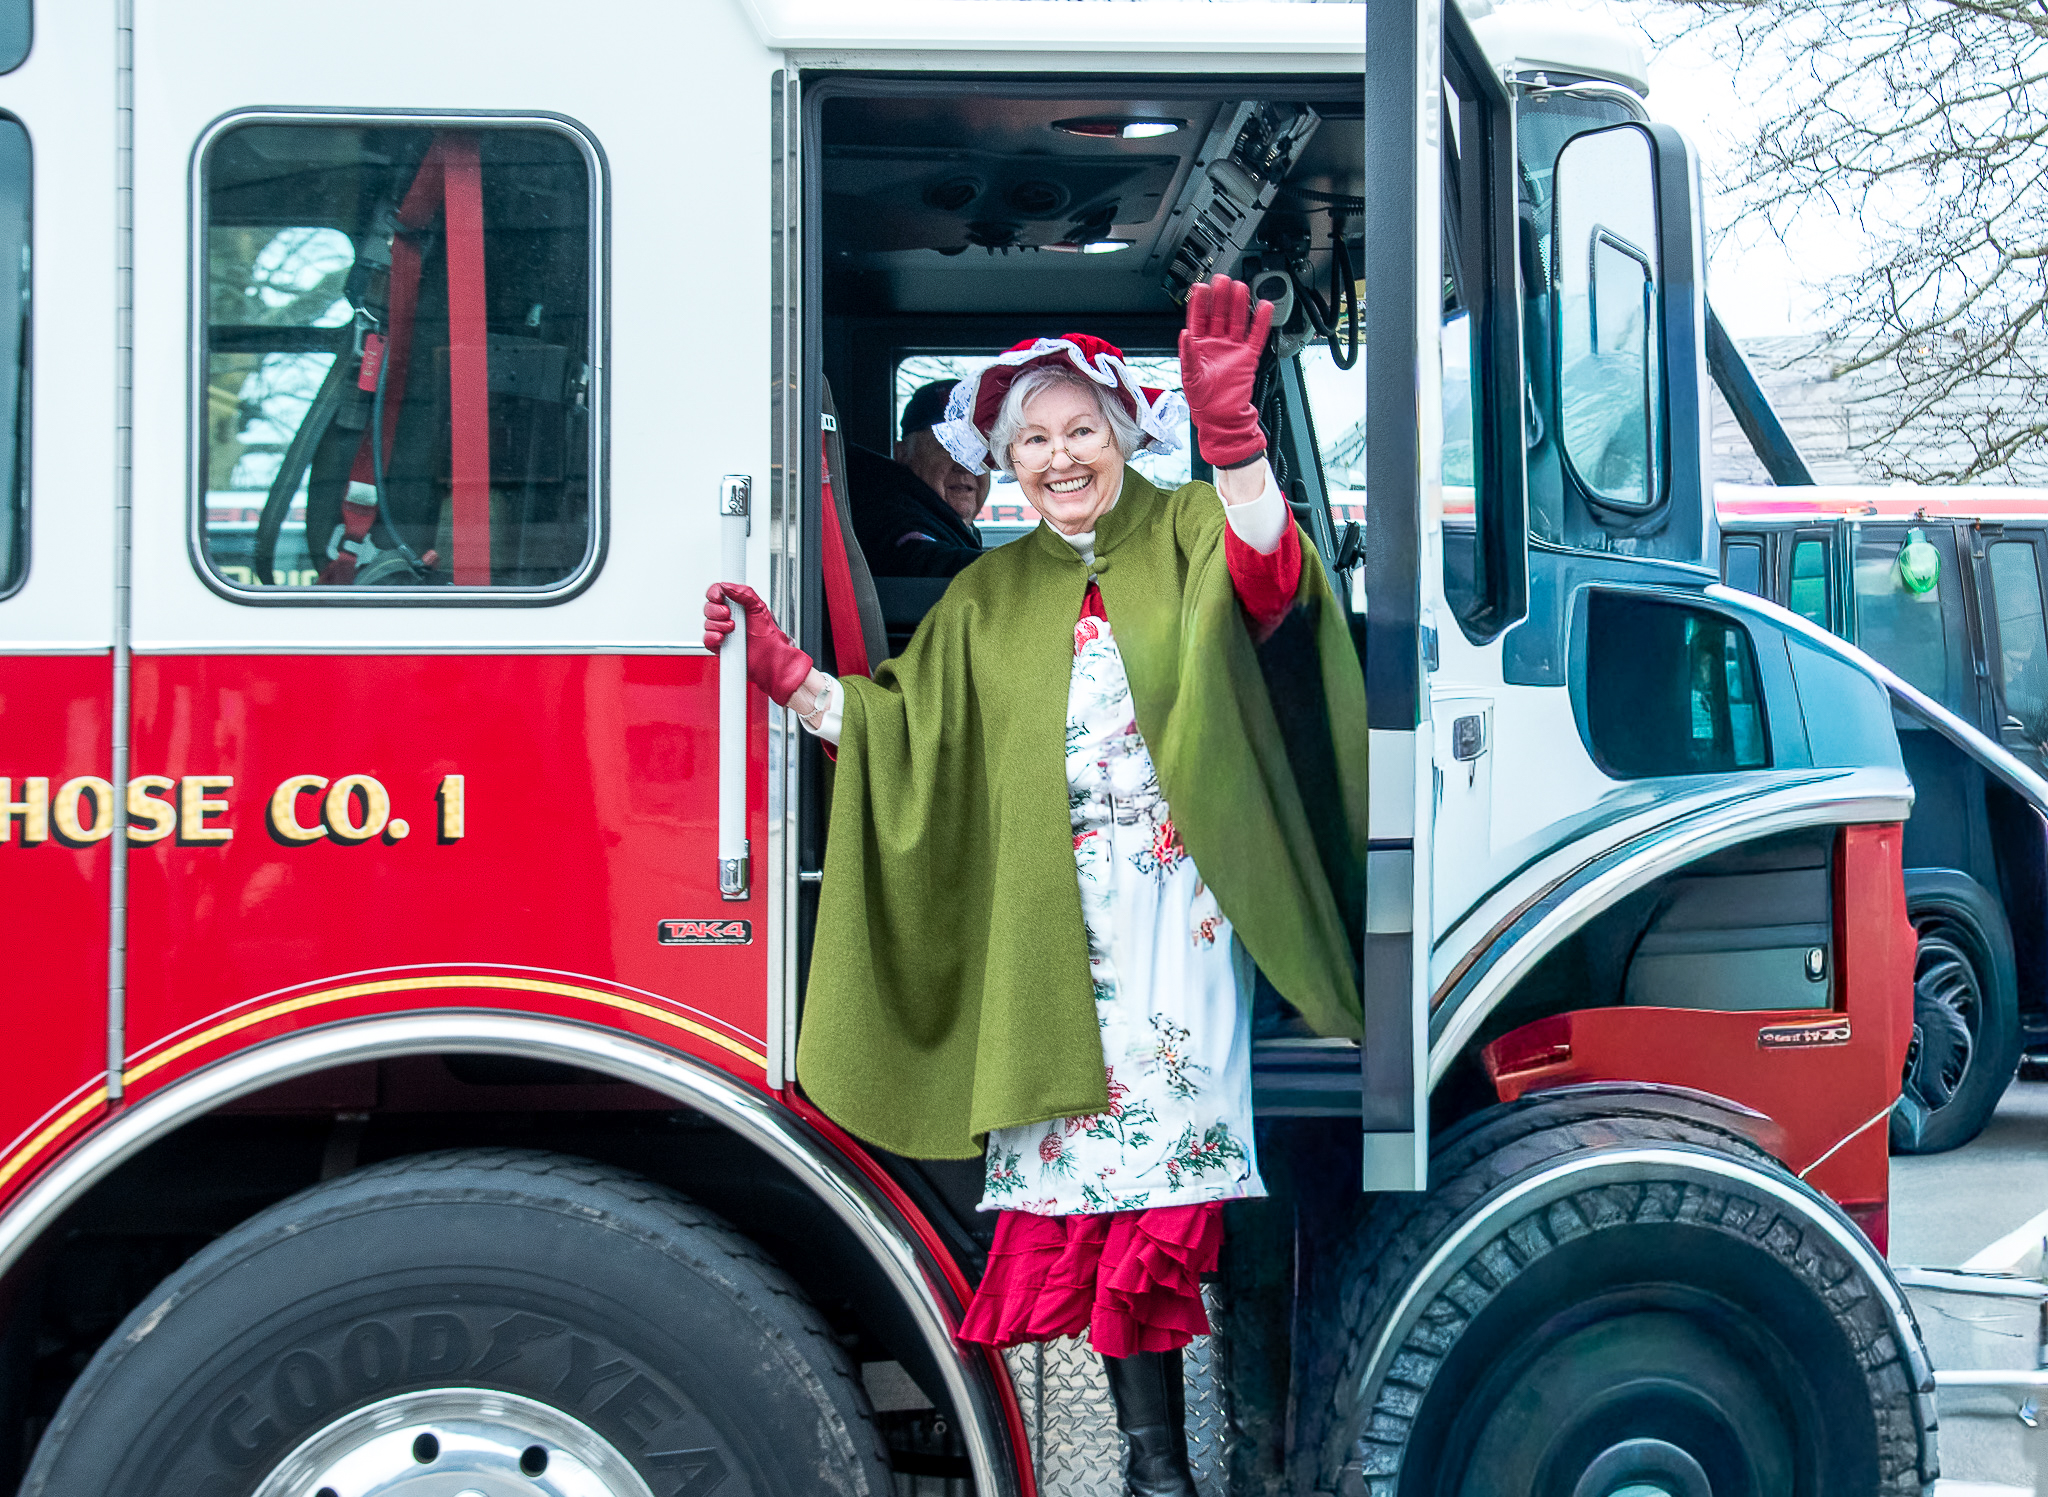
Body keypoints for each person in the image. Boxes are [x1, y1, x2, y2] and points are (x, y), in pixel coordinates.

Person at [703, 276, 1368, 1497]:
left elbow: (1275, 583)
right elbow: (899, 738)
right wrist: (787, 677)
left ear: (1120, 434)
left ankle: (1223, 1464)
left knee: (1176, 1176)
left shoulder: (1185, 533)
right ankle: (1150, 1468)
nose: (1058, 459)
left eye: (1079, 432)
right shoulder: (984, 597)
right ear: (1002, 461)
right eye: (1032, 442)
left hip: (1181, 916)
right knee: (1093, 1188)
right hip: (1050, 929)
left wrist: (1234, 451)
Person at [844, 379, 987, 577]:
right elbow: (920, 560)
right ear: (903, 455)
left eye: (979, 449)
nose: (965, 465)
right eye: (949, 447)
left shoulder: (948, 526)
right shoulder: (894, 520)